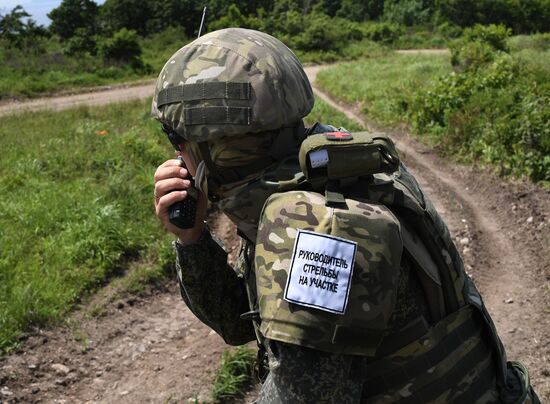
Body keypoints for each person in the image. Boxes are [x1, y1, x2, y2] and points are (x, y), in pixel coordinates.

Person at [152, 28, 539, 403]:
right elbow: (239, 322)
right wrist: (192, 240)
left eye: (177, 140)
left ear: (212, 146)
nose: (177, 155)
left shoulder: (316, 226)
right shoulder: (327, 170)